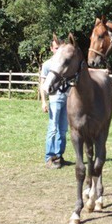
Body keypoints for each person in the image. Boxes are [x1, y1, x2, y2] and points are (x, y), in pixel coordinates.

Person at [40, 35, 68, 169]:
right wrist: (43, 102)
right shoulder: (47, 65)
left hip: (66, 100)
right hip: (54, 99)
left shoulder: (66, 64)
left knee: (63, 130)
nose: (58, 50)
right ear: (51, 49)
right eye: (56, 48)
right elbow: (42, 84)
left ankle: (59, 155)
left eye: (60, 48)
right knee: (53, 128)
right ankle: (49, 157)